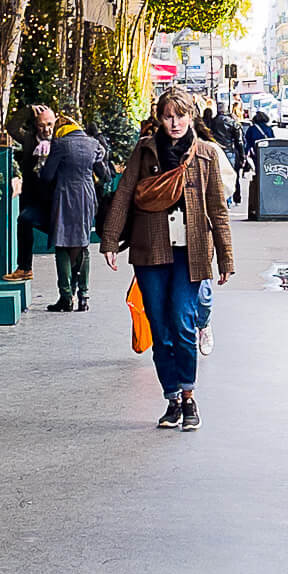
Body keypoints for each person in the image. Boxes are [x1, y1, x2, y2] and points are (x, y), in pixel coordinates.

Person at [100, 87, 234, 431]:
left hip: (192, 252)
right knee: (159, 327)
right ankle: (171, 397)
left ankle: (189, 397)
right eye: (168, 116)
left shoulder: (206, 154)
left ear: (191, 116)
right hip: (150, 249)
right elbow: (125, 193)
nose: (174, 123)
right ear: (159, 118)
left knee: (183, 322)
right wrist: (110, 241)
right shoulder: (144, 151)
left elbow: (218, 209)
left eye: (180, 115)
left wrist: (225, 258)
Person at [41, 115, 107, 312]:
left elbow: (47, 176)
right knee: (83, 243)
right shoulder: (93, 143)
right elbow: (103, 173)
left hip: (65, 195)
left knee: (62, 245)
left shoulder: (60, 144)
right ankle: (84, 297)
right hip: (86, 196)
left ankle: (66, 297)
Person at [192, 116, 236, 356]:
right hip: (169, 236)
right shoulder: (159, 150)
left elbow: (227, 186)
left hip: (201, 234)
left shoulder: (209, 151)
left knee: (203, 295)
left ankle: (203, 324)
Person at [2, 103, 56, 282]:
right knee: (24, 221)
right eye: (42, 125)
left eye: (49, 124)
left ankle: (75, 287)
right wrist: (27, 110)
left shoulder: (60, 142)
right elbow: (11, 128)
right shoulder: (29, 140)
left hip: (56, 200)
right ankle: (25, 268)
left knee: (68, 241)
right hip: (33, 198)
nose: (46, 129)